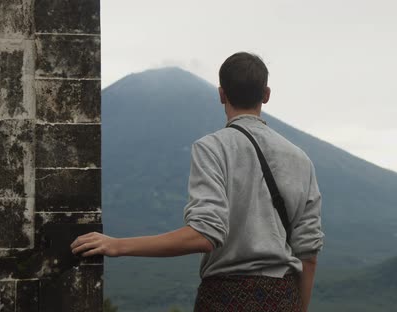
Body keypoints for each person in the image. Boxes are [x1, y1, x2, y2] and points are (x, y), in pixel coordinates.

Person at [70, 52, 324, 312]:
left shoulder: (213, 148)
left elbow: (205, 234)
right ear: (266, 94)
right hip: (284, 298)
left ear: (221, 94)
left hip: (226, 299)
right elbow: (309, 254)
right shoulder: (300, 159)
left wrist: (116, 245)